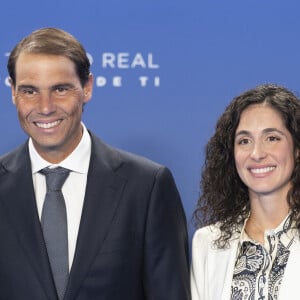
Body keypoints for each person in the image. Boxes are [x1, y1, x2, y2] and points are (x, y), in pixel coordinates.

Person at [0, 27, 190, 300]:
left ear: (87, 88)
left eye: (60, 89)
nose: (44, 107)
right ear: (13, 93)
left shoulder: (146, 187)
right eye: (30, 91)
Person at [191, 84, 300, 300]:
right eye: (244, 141)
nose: (257, 153)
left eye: (272, 138)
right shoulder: (207, 242)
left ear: (297, 149)